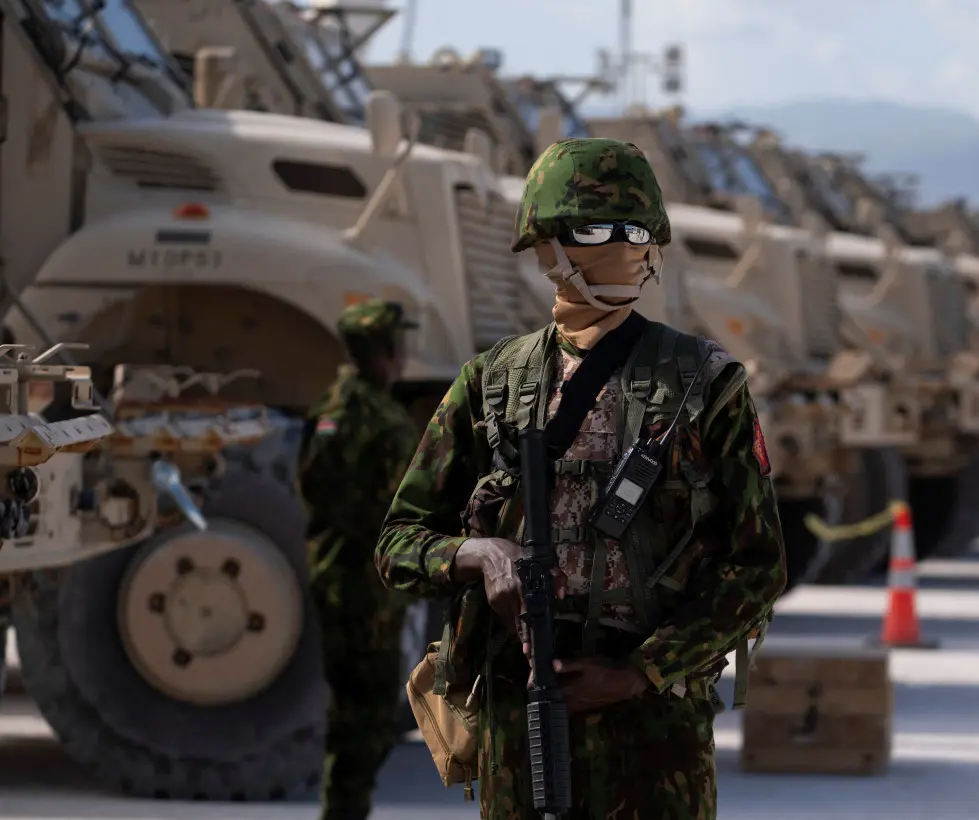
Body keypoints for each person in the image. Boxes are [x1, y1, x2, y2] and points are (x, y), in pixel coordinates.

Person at [374, 137, 787, 819]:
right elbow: (398, 542)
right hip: (521, 713)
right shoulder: (492, 384)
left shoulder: (705, 384)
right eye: (598, 230)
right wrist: (479, 554)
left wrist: (640, 673)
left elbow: (757, 567)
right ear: (548, 246)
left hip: (656, 735)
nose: (623, 247)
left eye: (636, 231)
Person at [298, 297, 422, 820]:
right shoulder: (382, 420)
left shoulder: (330, 405)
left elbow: (312, 487)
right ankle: (344, 810)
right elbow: (401, 509)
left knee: (354, 706)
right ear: (385, 350)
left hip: (337, 574)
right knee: (366, 713)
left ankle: (344, 806)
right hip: (366, 584)